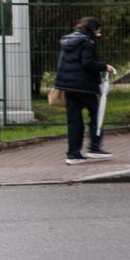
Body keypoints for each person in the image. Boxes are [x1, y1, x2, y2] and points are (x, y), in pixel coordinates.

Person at [54, 16, 113, 165]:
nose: (99, 33)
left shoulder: (69, 40)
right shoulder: (87, 42)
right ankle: (94, 147)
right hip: (84, 86)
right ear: (94, 29)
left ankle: (73, 154)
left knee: (74, 120)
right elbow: (88, 63)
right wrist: (104, 66)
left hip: (68, 85)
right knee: (96, 113)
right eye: (98, 30)